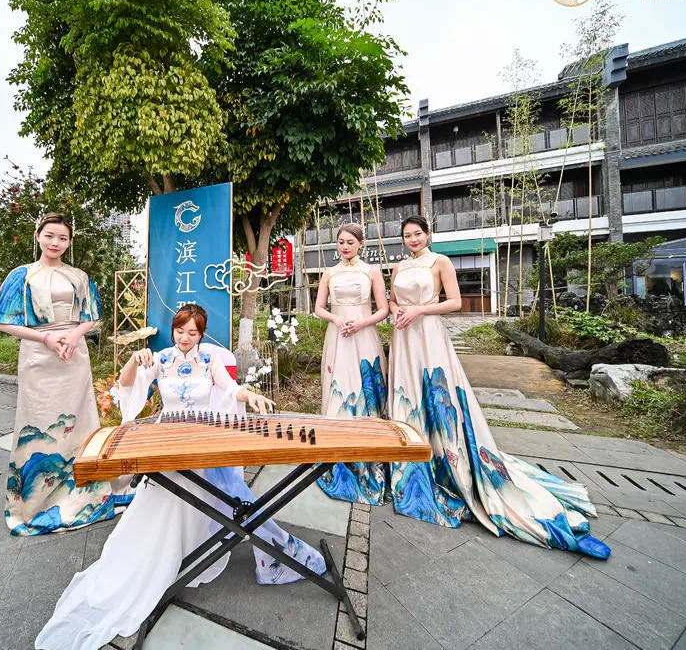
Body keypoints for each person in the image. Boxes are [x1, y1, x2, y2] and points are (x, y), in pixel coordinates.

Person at [35, 304, 326, 650]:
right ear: (173, 330)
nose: (185, 338)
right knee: (166, 502)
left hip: (201, 436)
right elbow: (126, 385)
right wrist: (133, 360)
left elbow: (230, 389)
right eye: (180, 331)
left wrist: (249, 394)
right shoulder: (160, 358)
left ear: (201, 334)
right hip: (168, 437)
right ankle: (162, 561)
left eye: (192, 333)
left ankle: (194, 553)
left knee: (205, 497)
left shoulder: (209, 359)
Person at [385, 215, 610, 558]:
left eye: (417, 233)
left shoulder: (440, 261)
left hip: (429, 335)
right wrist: (397, 310)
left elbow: (455, 302)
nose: (412, 239)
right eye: (407, 235)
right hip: (403, 337)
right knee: (407, 397)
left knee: (436, 395)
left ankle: (448, 462)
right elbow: (391, 300)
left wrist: (417, 310)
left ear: (428, 235)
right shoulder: (398, 267)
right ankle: (411, 466)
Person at [0, 212, 132, 536]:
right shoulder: (22, 275)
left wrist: (74, 335)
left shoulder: (78, 276)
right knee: (39, 421)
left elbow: (92, 315)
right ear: (38, 236)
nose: (56, 242)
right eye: (50, 236)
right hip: (39, 355)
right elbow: (1, 322)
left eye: (63, 238)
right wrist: (45, 338)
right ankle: (36, 502)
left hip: (73, 354)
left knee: (81, 421)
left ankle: (88, 495)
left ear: (70, 242)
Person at [312, 222, 389, 504]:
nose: (345, 246)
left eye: (350, 242)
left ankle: (368, 452)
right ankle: (336, 453)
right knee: (338, 386)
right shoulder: (329, 272)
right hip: (337, 335)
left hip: (364, 334)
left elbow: (383, 309)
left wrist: (360, 323)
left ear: (361, 243)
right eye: (341, 242)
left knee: (364, 386)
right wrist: (336, 318)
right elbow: (318, 307)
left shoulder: (371, 271)